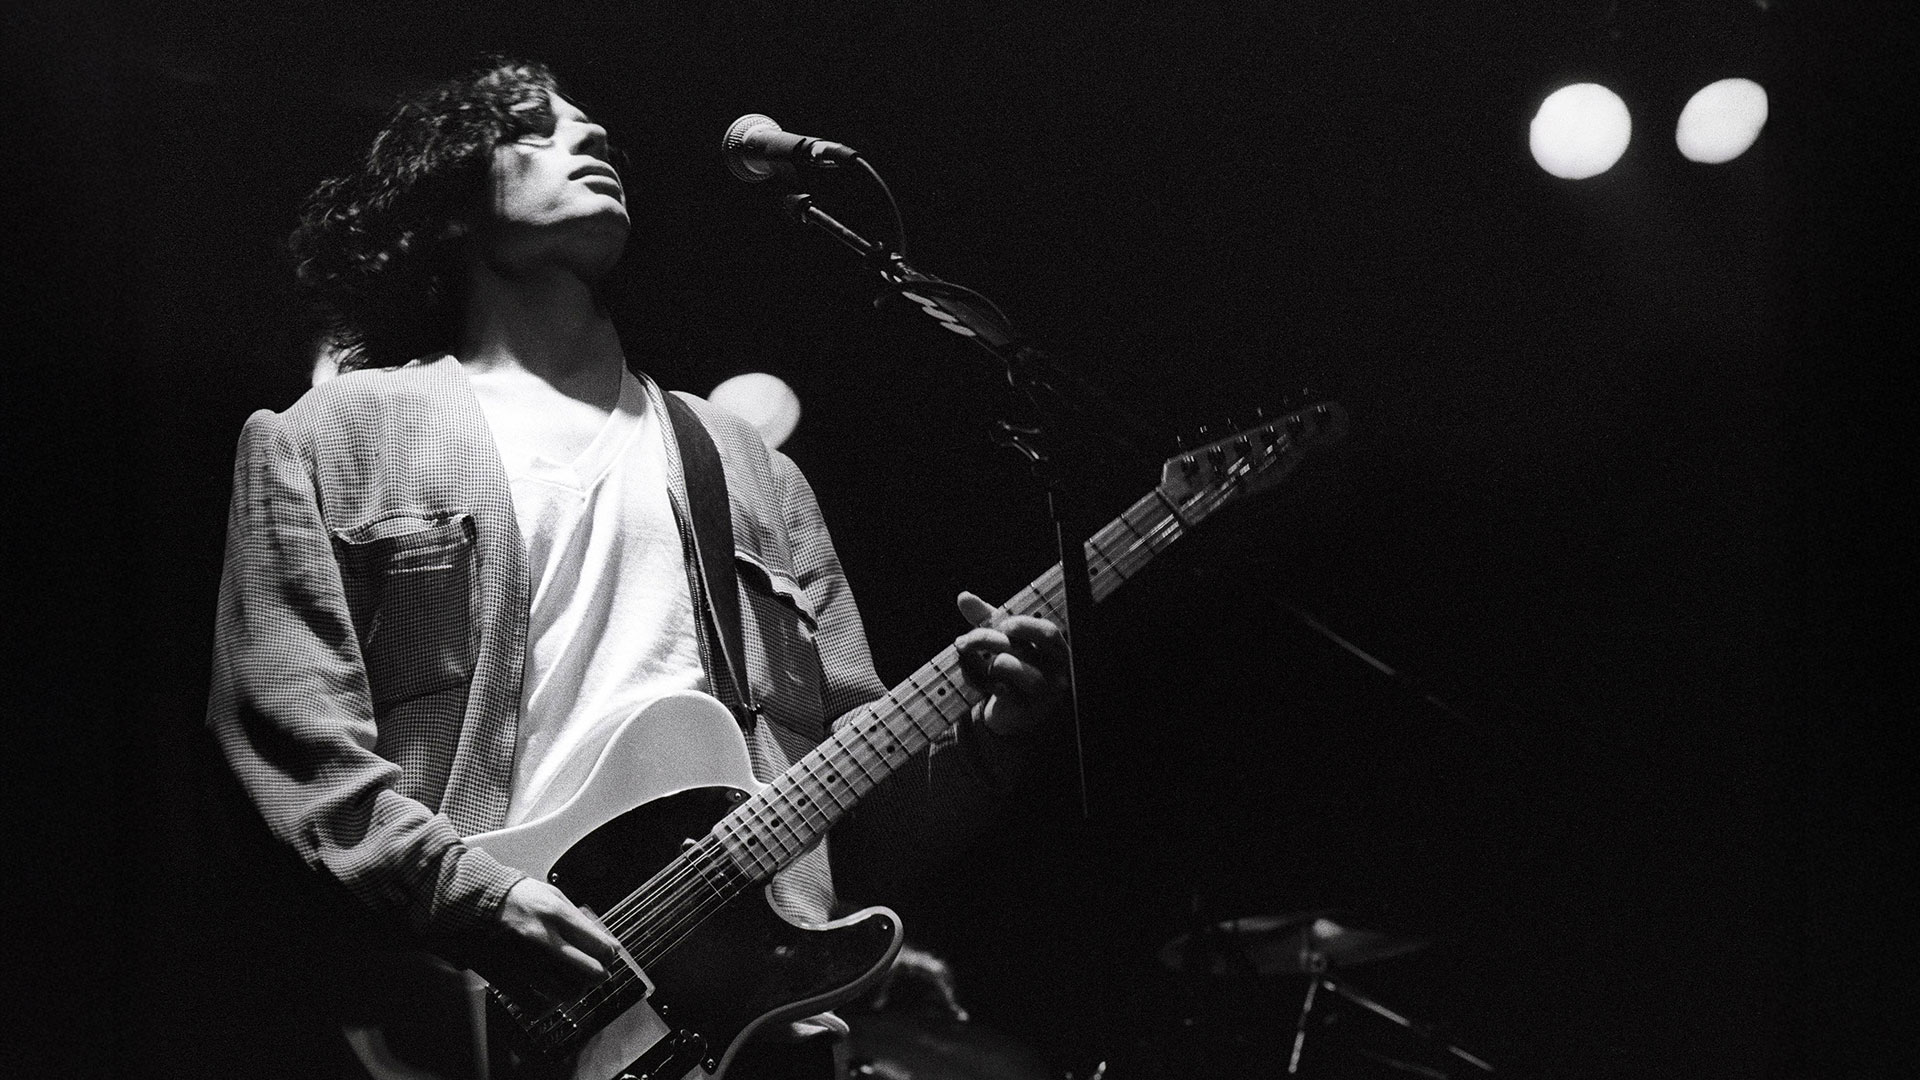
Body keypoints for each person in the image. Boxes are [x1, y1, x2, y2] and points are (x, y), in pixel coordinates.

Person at [206, 57, 1068, 1079]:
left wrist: (983, 741)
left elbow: (864, 814)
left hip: (756, 1037)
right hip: (474, 1024)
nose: (591, 138)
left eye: (599, 129)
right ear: (446, 209)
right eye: (534, 128)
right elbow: (301, 757)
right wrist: (474, 897)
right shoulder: (329, 443)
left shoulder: (753, 472)